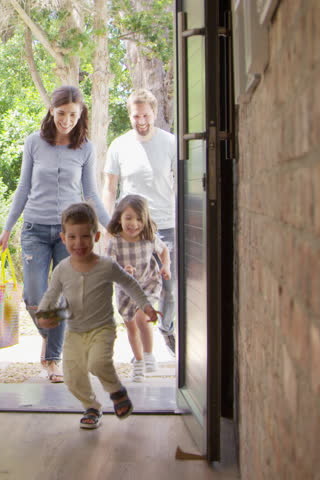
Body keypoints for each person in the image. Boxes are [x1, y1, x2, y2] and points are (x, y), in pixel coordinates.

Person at [0, 85, 111, 384]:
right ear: (51, 111)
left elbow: (91, 193)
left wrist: (110, 226)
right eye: (62, 113)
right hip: (34, 228)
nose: (67, 120)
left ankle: (53, 359)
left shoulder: (85, 147)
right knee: (35, 296)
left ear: (81, 113)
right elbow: (23, 189)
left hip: (69, 234)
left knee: (61, 296)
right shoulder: (34, 142)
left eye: (73, 114)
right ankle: (55, 340)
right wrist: (7, 228)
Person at [36, 203, 158, 429]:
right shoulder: (63, 269)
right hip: (74, 332)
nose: (78, 243)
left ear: (97, 236)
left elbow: (129, 284)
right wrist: (43, 315)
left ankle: (116, 392)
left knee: (98, 363)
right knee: (72, 378)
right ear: (63, 238)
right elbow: (51, 295)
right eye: (72, 237)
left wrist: (146, 306)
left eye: (85, 236)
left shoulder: (106, 266)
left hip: (102, 329)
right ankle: (91, 407)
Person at [102, 88, 178, 355]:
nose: (141, 120)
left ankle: (166, 328)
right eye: (136, 116)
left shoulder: (171, 143)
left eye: (146, 115)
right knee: (131, 287)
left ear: (154, 113)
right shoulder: (119, 145)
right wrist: (107, 227)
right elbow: (110, 188)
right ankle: (141, 352)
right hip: (130, 231)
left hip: (165, 225)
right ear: (130, 115)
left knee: (170, 287)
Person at [105, 195, 170, 382]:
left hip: (148, 283)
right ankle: (139, 362)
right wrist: (122, 270)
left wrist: (166, 267)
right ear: (119, 218)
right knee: (132, 328)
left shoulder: (148, 237)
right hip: (125, 290)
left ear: (145, 219)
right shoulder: (115, 242)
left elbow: (164, 250)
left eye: (139, 219)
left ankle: (149, 354)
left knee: (142, 318)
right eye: (129, 218)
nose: (134, 223)